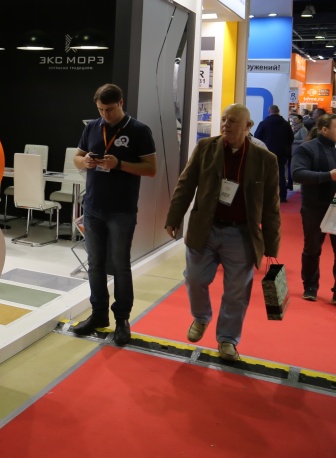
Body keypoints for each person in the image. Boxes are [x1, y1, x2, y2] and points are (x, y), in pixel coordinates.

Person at [165, 104, 281, 361]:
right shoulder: (206, 147)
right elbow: (186, 184)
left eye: (233, 121)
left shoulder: (266, 160)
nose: (226, 124)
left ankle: (227, 339)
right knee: (194, 278)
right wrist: (173, 217)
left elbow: (271, 206)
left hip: (241, 234)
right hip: (205, 229)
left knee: (237, 291)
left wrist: (271, 245)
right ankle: (201, 317)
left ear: (248, 127)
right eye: (224, 119)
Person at [71, 84, 158, 345]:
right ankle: (98, 314)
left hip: (121, 210)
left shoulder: (139, 130)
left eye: (109, 109)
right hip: (93, 208)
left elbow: (151, 169)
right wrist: (85, 161)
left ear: (121, 103)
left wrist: (119, 164)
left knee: (120, 265)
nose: (105, 114)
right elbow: (77, 157)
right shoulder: (92, 127)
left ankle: (122, 319)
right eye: (100, 109)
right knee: (95, 264)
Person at [291, 112, 336, 303]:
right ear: (324, 129)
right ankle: (310, 286)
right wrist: (328, 175)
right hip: (314, 207)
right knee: (312, 248)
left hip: (335, 208)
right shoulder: (306, 148)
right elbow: (298, 174)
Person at [254, 105, 294, 203]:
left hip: (267, 151)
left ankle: (268, 196)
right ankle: (282, 195)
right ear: (278, 111)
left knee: (266, 174)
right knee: (281, 173)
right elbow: (291, 138)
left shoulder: (264, 123)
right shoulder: (286, 124)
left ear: (269, 111)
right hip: (282, 152)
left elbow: (257, 136)